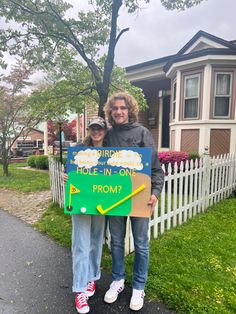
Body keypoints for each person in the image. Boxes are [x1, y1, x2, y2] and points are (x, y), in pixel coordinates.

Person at [103, 92, 164, 311]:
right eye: (115, 108)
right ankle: (118, 280)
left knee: (141, 244)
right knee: (116, 242)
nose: (119, 111)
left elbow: (156, 168)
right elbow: (96, 164)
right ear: (111, 112)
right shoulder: (108, 135)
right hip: (116, 196)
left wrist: (155, 192)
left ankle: (139, 286)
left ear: (130, 110)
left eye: (123, 108)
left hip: (140, 197)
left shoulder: (143, 133)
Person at [65, 117, 107, 314]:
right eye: (94, 128)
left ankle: (92, 277)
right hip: (82, 201)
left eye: (100, 129)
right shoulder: (78, 150)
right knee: (81, 244)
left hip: (102, 203)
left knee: (96, 240)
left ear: (105, 131)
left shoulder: (112, 153)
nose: (97, 132)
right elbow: (71, 173)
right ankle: (79, 289)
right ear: (89, 130)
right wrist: (67, 176)